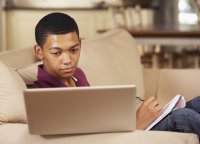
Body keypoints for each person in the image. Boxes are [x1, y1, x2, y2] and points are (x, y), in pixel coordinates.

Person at [32, 12, 200, 140]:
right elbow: (84, 140)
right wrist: (137, 124)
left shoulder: (78, 75)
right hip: (127, 136)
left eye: (74, 50)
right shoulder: (43, 95)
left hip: (125, 128)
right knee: (183, 117)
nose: (68, 60)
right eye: (57, 53)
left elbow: (97, 121)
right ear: (40, 52)